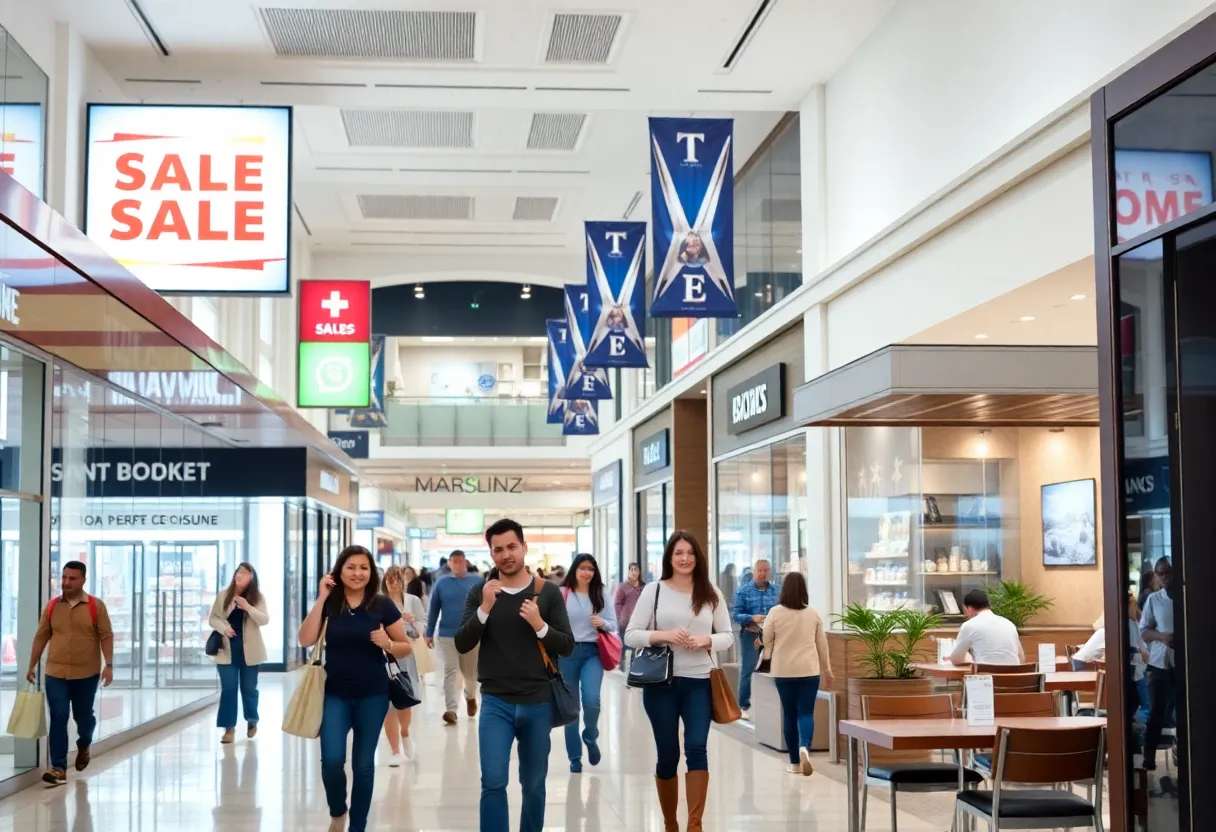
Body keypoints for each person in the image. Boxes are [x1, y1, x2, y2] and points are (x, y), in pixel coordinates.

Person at [455, 519, 574, 832]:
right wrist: (484, 608)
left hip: (538, 702)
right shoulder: (481, 593)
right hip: (495, 703)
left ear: (523, 547)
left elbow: (567, 645)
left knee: (534, 785)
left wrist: (540, 624)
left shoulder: (547, 594)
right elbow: (462, 642)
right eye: (498, 549)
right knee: (492, 782)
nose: (506, 554)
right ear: (491, 554)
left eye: (511, 547)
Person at [299, 545, 411, 832]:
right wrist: (322, 596)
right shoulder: (330, 603)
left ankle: (357, 825)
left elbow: (406, 648)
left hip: (373, 695)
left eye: (363, 567)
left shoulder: (381, 604)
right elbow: (305, 639)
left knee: (363, 765)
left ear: (371, 572)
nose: (357, 573)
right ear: (339, 570)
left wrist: (387, 643)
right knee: (332, 760)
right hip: (335, 693)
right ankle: (338, 811)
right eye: (351, 567)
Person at [625, 531, 732, 832]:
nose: (685, 558)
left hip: (699, 682)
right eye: (679, 553)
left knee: (697, 746)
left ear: (698, 558)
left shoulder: (710, 592)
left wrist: (705, 640)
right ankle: (670, 822)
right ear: (669, 558)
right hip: (662, 684)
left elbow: (727, 635)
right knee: (668, 753)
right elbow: (631, 634)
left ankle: (694, 825)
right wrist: (664, 635)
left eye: (691, 553)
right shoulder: (654, 591)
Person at [26, 561, 114, 786]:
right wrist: (31, 665)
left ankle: (84, 744)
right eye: (64, 578)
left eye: (72, 578)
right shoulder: (53, 606)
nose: (66, 582)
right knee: (59, 714)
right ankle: (58, 767)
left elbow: (106, 636)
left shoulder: (96, 606)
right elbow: (41, 636)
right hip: (55, 673)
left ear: (83, 580)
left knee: (83, 717)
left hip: (86, 674)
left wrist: (109, 665)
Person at [760, 572, 832, 776]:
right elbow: (822, 645)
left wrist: (768, 646)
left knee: (789, 714)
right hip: (809, 670)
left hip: (784, 671)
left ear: (784, 589)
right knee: (806, 712)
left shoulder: (775, 613)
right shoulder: (813, 614)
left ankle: (794, 763)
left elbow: (766, 639)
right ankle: (804, 748)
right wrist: (827, 669)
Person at [559, 554, 618, 773]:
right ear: (574, 570)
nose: (587, 573)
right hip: (566, 654)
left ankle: (590, 736)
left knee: (592, 701)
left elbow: (614, 625)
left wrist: (603, 622)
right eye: (582, 568)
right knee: (571, 709)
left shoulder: (601, 594)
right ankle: (574, 757)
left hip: (593, 653)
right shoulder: (562, 593)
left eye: (591, 569)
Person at [208, 562, 270, 744]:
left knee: (249, 689)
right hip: (226, 650)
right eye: (238, 572)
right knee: (229, 689)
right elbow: (213, 618)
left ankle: (252, 720)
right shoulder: (223, 596)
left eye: (244, 573)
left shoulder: (257, 597)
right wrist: (224, 628)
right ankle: (229, 729)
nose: (240, 575)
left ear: (252, 578)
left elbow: (264, 619)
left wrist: (248, 607)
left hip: (250, 651)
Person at [425, 550, 483, 725]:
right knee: (450, 670)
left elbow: (487, 606)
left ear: (466, 563)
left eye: (461, 561)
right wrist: (429, 632)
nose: (458, 564)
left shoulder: (477, 581)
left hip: (471, 634)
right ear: (449, 564)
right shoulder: (442, 583)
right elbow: (434, 608)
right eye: (454, 561)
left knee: (470, 673)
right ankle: (451, 710)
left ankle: (470, 696)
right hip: (447, 634)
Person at [382, 565, 426, 765]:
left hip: (406, 657)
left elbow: (421, 629)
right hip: (383, 657)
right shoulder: (378, 603)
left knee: (404, 700)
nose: (392, 583)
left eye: (396, 579)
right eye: (389, 579)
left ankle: (405, 732)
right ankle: (394, 750)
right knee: (388, 705)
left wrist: (411, 623)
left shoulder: (412, 601)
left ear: (402, 581)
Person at [732, 558, 781, 716]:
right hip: (751, 634)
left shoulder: (777, 591)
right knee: (748, 669)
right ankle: (744, 705)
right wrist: (752, 618)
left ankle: (773, 704)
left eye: (766, 570)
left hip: (773, 636)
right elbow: (736, 615)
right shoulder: (744, 591)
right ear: (754, 572)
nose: (763, 574)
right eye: (760, 570)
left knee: (773, 668)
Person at [1140, 556, 1175, 771]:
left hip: (1183, 662)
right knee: (1156, 711)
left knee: (1182, 711)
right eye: (1160, 573)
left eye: (1167, 572)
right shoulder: (1154, 599)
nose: (1164, 577)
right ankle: (1149, 756)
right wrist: (1162, 636)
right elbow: (1144, 631)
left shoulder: (1185, 597)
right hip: (1159, 662)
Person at [947, 589, 1025, 666]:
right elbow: (1021, 658)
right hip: (1014, 677)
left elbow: (955, 660)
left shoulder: (969, 625)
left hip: (987, 677)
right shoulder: (1009, 623)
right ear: (989, 606)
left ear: (969, 609)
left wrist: (967, 658)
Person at [613, 562, 645, 667]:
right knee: (625, 644)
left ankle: (633, 667)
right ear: (628, 571)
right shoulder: (623, 587)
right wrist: (619, 617)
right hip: (625, 621)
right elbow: (617, 604)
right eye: (632, 569)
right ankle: (622, 662)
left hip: (640, 621)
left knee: (636, 646)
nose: (634, 572)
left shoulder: (643, 587)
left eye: (636, 570)